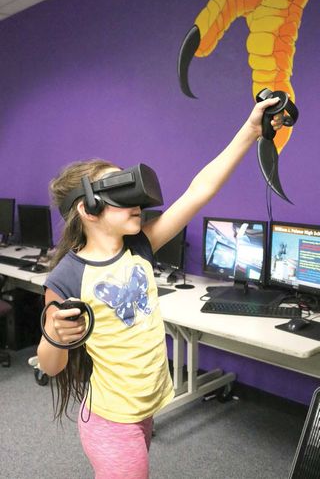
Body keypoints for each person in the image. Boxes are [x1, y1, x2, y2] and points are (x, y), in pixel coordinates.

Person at [37, 97, 283, 479]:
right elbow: (53, 367)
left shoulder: (140, 246)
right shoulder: (68, 277)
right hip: (111, 421)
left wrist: (250, 131)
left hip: (145, 407)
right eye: (122, 194)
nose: (138, 203)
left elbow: (200, 190)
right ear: (87, 209)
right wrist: (53, 335)